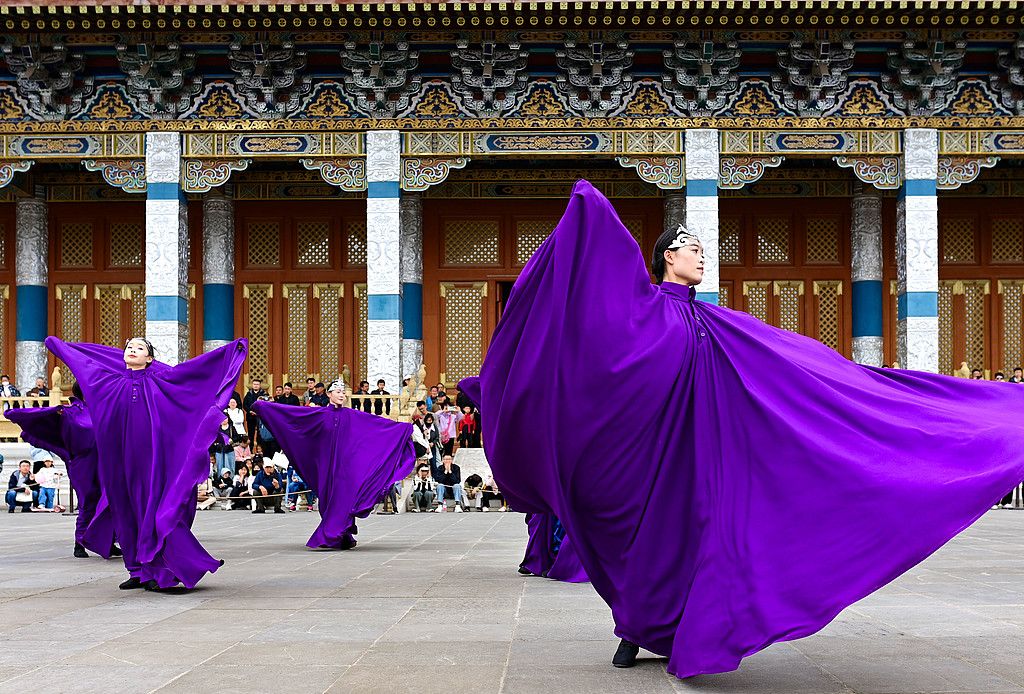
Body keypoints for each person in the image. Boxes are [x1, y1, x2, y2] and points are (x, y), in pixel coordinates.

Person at [458, 181, 1024, 678]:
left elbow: (785, 365)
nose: (702, 258)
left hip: (708, 458)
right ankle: (636, 626)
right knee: (652, 540)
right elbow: (609, 344)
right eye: (692, 249)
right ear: (666, 257)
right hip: (658, 462)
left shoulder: (714, 321)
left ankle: (673, 628)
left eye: (703, 251)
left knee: (701, 540)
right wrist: (591, 210)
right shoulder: (648, 315)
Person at [45, 335, 247, 591]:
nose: (132, 350)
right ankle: (136, 570)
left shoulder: (161, 381)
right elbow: (85, 366)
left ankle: (160, 571)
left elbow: (193, 375)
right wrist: (60, 347)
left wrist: (228, 353)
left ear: (149, 358)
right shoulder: (111, 383)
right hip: (119, 461)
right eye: (129, 347)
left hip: (151, 462)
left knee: (151, 510)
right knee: (124, 512)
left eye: (139, 348)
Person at [252, 380, 415, 549]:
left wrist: (402, 429)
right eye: (338, 392)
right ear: (329, 394)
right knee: (328, 500)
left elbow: (375, 424)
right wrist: (264, 407)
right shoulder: (320, 414)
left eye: (343, 392)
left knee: (343, 498)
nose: (341, 395)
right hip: (325, 466)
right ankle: (342, 536)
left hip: (344, 468)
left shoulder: (351, 415)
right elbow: (293, 414)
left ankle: (329, 535)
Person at [6, 383, 119, 558]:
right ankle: (79, 542)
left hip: (106, 462)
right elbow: (67, 437)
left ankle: (107, 542)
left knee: (111, 501)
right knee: (88, 501)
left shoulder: (102, 409)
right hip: (83, 464)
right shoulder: (70, 412)